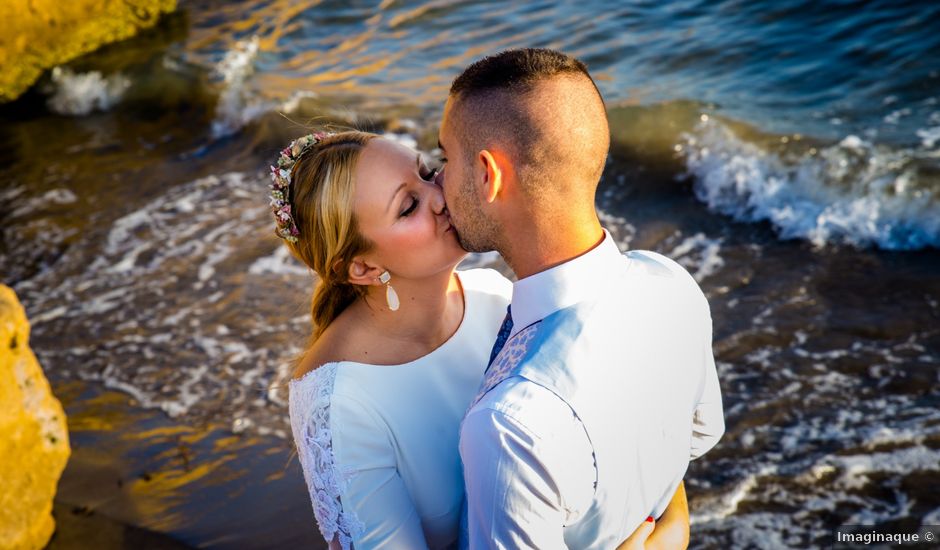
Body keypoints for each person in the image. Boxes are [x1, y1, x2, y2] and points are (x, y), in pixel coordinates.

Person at [277, 131, 690, 549]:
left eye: (426, 172)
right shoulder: (339, 405)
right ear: (362, 267)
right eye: (408, 206)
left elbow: (607, 418)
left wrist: (672, 518)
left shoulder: (493, 294)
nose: (439, 196)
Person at [438, 48, 725, 549]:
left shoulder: (509, 426)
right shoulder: (670, 281)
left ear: (488, 174)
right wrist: (667, 528)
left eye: (445, 159)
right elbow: (698, 436)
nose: (438, 184)